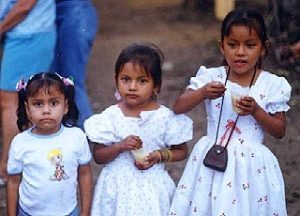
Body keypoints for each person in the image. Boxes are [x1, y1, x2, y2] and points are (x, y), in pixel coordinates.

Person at [169, 9, 291, 216]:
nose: (240, 52)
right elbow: (178, 106)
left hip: (251, 168)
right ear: (221, 46)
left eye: (250, 45)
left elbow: (279, 130)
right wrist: (202, 93)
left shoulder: (272, 84)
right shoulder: (211, 76)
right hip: (212, 162)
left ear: (263, 48)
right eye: (233, 45)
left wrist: (256, 111)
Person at [84, 44, 193, 216]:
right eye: (125, 79)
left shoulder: (165, 117)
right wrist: (119, 146)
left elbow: (181, 151)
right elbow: (98, 156)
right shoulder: (111, 116)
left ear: (156, 85)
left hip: (152, 190)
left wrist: (160, 155)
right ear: (116, 80)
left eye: (142, 81)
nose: (132, 87)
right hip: (116, 190)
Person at [6, 72, 92, 216]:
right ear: (27, 109)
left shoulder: (76, 137)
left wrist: (85, 212)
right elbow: (13, 182)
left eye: (53, 103)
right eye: (38, 104)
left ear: (65, 106)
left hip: (68, 212)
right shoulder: (20, 143)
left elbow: (84, 175)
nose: (46, 110)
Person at [0, 0, 56, 185]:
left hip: (29, 35)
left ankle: (9, 168)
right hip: (21, 34)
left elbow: (24, 5)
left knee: (11, 101)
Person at [52, 0, 99, 128]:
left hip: (73, 10)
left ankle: (89, 138)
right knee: (54, 81)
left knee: (71, 81)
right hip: (51, 13)